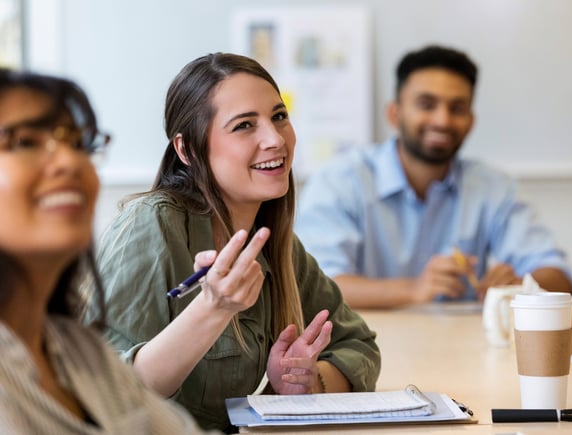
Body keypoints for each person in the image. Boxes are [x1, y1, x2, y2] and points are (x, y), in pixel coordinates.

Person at [88, 53, 381, 432]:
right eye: (244, 125)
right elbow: (105, 390)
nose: (275, 139)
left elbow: (359, 346)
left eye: (279, 116)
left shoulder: (278, 246)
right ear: (187, 150)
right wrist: (212, 309)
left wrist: (309, 381)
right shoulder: (151, 226)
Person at [0, 70, 217, 433]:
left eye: (78, 143)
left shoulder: (79, 351)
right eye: (25, 142)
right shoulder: (153, 219)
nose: (69, 162)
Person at [295, 45, 572, 309]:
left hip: (463, 350)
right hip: (365, 350)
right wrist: (414, 289)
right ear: (395, 113)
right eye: (426, 104)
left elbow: (560, 277)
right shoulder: (339, 182)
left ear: (471, 121)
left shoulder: (492, 187)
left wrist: (519, 286)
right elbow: (315, 287)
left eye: (457, 108)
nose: (442, 120)